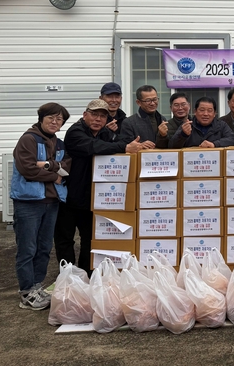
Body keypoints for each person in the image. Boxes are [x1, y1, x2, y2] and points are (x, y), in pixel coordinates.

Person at [54, 99, 142, 273]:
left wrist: (134, 145)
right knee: (65, 239)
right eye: (94, 114)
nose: (98, 119)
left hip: (92, 198)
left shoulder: (104, 132)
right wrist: (124, 147)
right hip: (69, 196)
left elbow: (117, 142)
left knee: (90, 239)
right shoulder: (75, 132)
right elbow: (94, 147)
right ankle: (68, 275)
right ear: (85, 115)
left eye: (102, 116)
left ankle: (87, 273)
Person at [10, 103, 72, 310]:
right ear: (41, 118)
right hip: (28, 202)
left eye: (59, 119)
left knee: (44, 247)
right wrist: (54, 174)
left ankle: (37, 286)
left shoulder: (59, 143)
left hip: (51, 202)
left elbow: (67, 166)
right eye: (51, 117)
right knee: (27, 248)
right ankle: (26, 292)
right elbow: (27, 169)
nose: (55, 122)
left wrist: (45, 164)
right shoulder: (28, 139)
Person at [170, 96, 234, 148]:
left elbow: (233, 139)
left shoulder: (221, 125)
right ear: (195, 112)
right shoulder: (187, 125)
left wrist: (214, 144)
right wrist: (183, 135)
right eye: (202, 110)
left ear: (214, 114)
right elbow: (172, 145)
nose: (205, 114)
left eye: (209, 110)